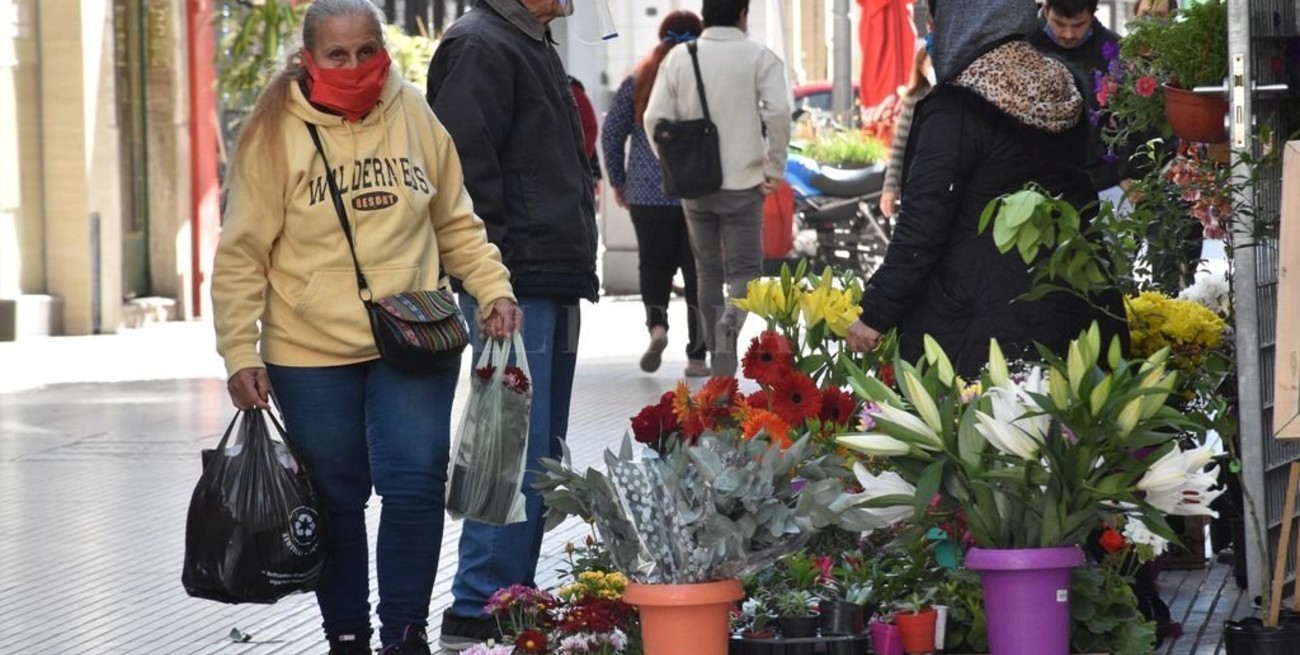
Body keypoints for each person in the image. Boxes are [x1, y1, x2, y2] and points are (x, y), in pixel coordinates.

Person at [211, 2, 520, 654]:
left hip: (414, 334)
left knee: (414, 483)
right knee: (335, 498)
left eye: (365, 52)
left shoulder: (413, 114)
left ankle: (405, 634)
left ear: (383, 50)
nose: (355, 67)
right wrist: (241, 348)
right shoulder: (274, 134)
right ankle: (346, 633)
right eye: (337, 55)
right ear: (308, 59)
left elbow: (455, 221)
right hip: (308, 350)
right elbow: (242, 254)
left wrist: (492, 287)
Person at [424, 0, 600, 650]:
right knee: (508, 450)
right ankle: (478, 604)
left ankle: (512, 598)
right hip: (513, 285)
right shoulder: (480, 44)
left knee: (538, 457)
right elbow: (462, 180)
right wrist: (488, 282)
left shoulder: (528, 39)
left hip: (548, 275)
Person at [844, 0, 1125, 377]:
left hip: (979, 328)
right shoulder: (1063, 85)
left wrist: (876, 313)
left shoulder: (957, 107)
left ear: (962, 21)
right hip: (1069, 308)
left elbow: (922, 223)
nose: (932, 32)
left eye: (936, 21)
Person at [644, 0, 791, 377]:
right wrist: (773, 166)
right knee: (745, 270)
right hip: (746, 182)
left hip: (696, 185)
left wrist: (674, 164)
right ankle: (730, 328)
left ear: (705, 15)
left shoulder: (680, 58)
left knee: (707, 269)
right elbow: (778, 112)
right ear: (743, 14)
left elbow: (653, 117)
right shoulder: (760, 56)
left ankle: (717, 356)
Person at [602, 10, 710, 378]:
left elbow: (611, 134)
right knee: (698, 271)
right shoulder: (703, 79)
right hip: (696, 190)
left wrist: (619, 180)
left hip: (647, 193)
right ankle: (698, 356)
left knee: (654, 265)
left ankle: (657, 328)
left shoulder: (638, 80)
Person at [1029, 0, 1144, 208]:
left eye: (1078, 25)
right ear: (1046, 10)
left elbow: (1134, 121)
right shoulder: (1024, 46)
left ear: (1092, 14)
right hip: (1033, 180)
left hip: (1101, 184)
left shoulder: (1115, 53)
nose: (1069, 34)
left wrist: (1126, 173)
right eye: (1060, 23)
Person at [879, 42, 935, 218]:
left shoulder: (954, 97)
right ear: (921, 68)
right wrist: (889, 189)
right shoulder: (914, 100)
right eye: (929, 64)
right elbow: (899, 148)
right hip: (916, 184)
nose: (934, 69)